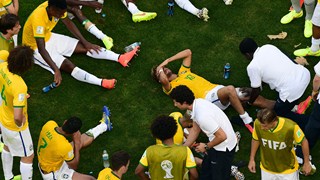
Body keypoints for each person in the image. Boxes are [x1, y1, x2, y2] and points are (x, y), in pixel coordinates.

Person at [22, 0, 139, 89]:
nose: (62, 15)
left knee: (85, 47)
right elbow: (42, 49)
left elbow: (69, 24)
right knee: (68, 65)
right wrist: (55, 69)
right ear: (52, 9)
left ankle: (120, 58)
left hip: (48, 36)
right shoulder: (39, 20)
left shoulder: (57, 7)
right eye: (60, 13)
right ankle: (101, 82)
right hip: (34, 48)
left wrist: (85, 42)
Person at [152, 49, 258, 132]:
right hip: (209, 99)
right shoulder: (170, 88)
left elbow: (188, 52)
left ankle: (273, 107)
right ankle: (246, 119)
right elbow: (164, 80)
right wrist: (160, 69)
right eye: (160, 72)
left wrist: (167, 61)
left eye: (164, 68)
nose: (164, 70)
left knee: (250, 93)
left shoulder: (183, 72)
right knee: (230, 89)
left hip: (218, 89)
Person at [239, 37, 311, 130]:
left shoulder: (252, 66)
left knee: (278, 114)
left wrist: (249, 103)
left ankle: (310, 122)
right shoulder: (268, 47)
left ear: (247, 54)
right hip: (304, 74)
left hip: (292, 90)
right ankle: (293, 104)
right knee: (286, 100)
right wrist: (254, 88)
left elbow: (256, 90)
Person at [170, 85, 237, 180]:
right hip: (216, 144)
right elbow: (195, 129)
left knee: (219, 176)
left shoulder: (202, 116)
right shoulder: (198, 104)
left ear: (184, 102)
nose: (175, 105)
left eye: (176, 102)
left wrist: (206, 146)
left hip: (223, 148)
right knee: (206, 170)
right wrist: (183, 149)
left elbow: (222, 136)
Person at [37, 106, 113, 180]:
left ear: (65, 122)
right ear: (72, 134)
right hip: (54, 173)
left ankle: (104, 125)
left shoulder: (50, 124)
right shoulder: (64, 147)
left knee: (79, 141)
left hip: (49, 160)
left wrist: (77, 142)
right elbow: (74, 166)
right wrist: (76, 144)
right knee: (91, 179)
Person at [0, 46, 34, 180]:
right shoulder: (20, 86)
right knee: (28, 156)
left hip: (3, 118)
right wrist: (21, 121)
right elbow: (17, 116)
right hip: (15, 127)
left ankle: (8, 177)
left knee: (8, 146)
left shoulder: (2, 67)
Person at [248, 108, 312, 179]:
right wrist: (251, 159)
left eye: (265, 126)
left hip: (288, 169)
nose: (262, 128)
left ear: (273, 121)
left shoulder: (290, 127)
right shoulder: (258, 123)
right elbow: (256, 139)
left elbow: (304, 142)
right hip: (266, 168)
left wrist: (306, 163)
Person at [135, 115, 198, 180]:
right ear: (175, 131)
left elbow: (138, 171)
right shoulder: (185, 151)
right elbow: (194, 175)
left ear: (155, 135)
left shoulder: (149, 150)